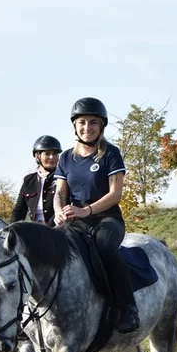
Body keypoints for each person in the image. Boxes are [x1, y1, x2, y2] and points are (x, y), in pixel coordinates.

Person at [53, 97, 140, 334]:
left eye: (93, 122)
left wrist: (87, 210)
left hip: (106, 219)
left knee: (104, 248)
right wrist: (59, 211)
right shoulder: (65, 158)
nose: (87, 127)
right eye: (82, 122)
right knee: (49, 248)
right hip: (74, 220)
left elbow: (115, 194)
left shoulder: (110, 153)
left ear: (101, 126)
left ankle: (128, 308)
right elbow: (60, 192)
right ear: (75, 125)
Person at [11, 135, 62, 225]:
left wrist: (46, 228)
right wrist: (11, 229)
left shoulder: (62, 178)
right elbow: (19, 210)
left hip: (58, 230)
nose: (52, 157)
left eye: (55, 154)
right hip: (35, 231)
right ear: (37, 156)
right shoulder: (28, 181)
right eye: (47, 153)